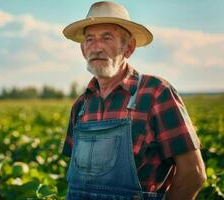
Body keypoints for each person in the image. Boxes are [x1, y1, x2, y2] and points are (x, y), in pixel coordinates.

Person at [61, 1, 206, 199]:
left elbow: (193, 174)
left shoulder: (156, 93)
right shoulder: (81, 106)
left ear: (129, 48)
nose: (96, 47)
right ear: (83, 50)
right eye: (89, 39)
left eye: (107, 38)